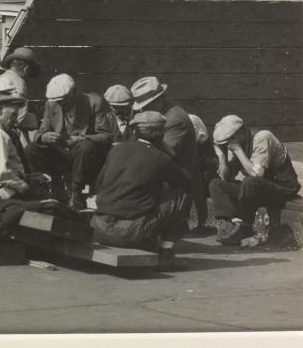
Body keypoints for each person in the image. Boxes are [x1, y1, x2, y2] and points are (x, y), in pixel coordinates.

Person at [91, 111, 192, 272]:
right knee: (180, 194)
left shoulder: (116, 151)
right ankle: (165, 254)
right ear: (161, 134)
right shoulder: (161, 158)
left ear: (134, 131)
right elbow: (186, 182)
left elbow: (99, 184)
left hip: (99, 228)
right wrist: (169, 152)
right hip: (130, 234)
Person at [209, 115, 301, 246]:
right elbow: (225, 177)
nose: (228, 145)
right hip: (258, 189)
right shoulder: (235, 144)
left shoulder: (262, 137)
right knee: (216, 184)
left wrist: (238, 150)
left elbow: (256, 174)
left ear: (242, 131)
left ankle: (245, 228)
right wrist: (222, 155)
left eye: (229, 140)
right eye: (224, 143)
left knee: (250, 182)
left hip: (282, 188)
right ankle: (232, 224)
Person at [31, 74, 114, 210]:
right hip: (62, 152)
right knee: (31, 149)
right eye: (58, 101)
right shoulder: (52, 104)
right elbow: (40, 132)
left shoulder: (94, 102)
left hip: (86, 155)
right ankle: (44, 189)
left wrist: (82, 138)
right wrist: (44, 137)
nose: (61, 104)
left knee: (85, 146)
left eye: (64, 100)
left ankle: (76, 194)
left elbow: (106, 136)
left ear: (74, 92)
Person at [130, 76, 203, 230]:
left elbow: (161, 154)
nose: (143, 110)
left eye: (146, 106)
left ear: (158, 100)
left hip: (174, 181)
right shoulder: (162, 114)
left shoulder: (174, 120)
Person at [0, 47, 41, 131]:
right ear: (26, 69)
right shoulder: (20, 84)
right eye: (30, 72)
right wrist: (37, 120)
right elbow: (20, 119)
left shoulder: (1, 78)